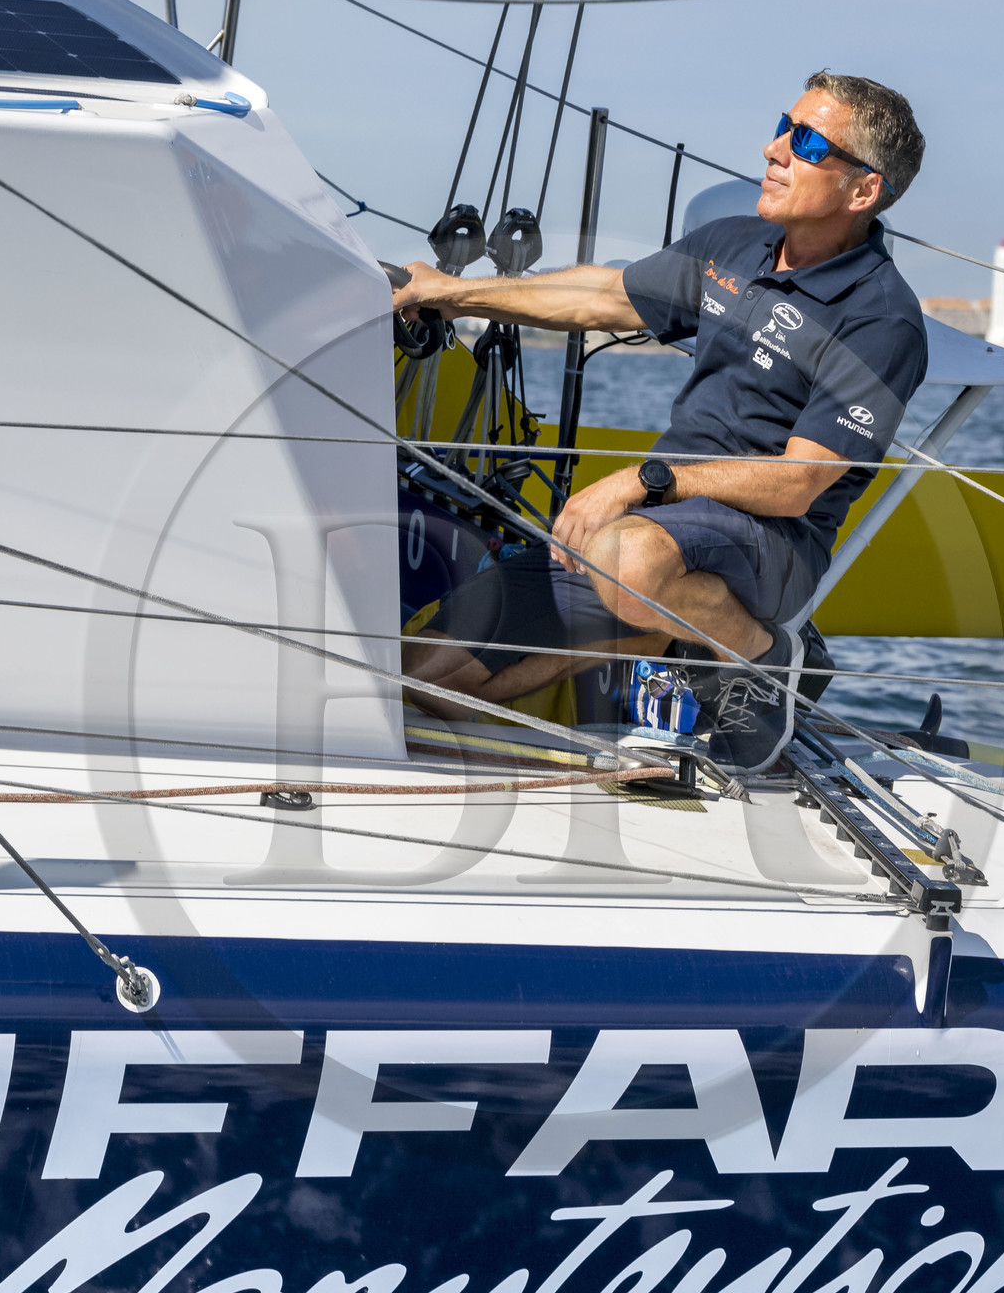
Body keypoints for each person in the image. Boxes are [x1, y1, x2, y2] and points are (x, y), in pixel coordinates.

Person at [393, 70, 930, 771]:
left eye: (806, 141)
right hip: (657, 529)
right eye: (782, 126)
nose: (774, 149)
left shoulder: (880, 317)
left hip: (771, 540)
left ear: (864, 190)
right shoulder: (734, 246)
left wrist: (642, 480)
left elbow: (801, 481)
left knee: (626, 558)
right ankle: (659, 626)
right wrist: (454, 294)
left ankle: (764, 659)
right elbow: (602, 297)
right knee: (424, 680)